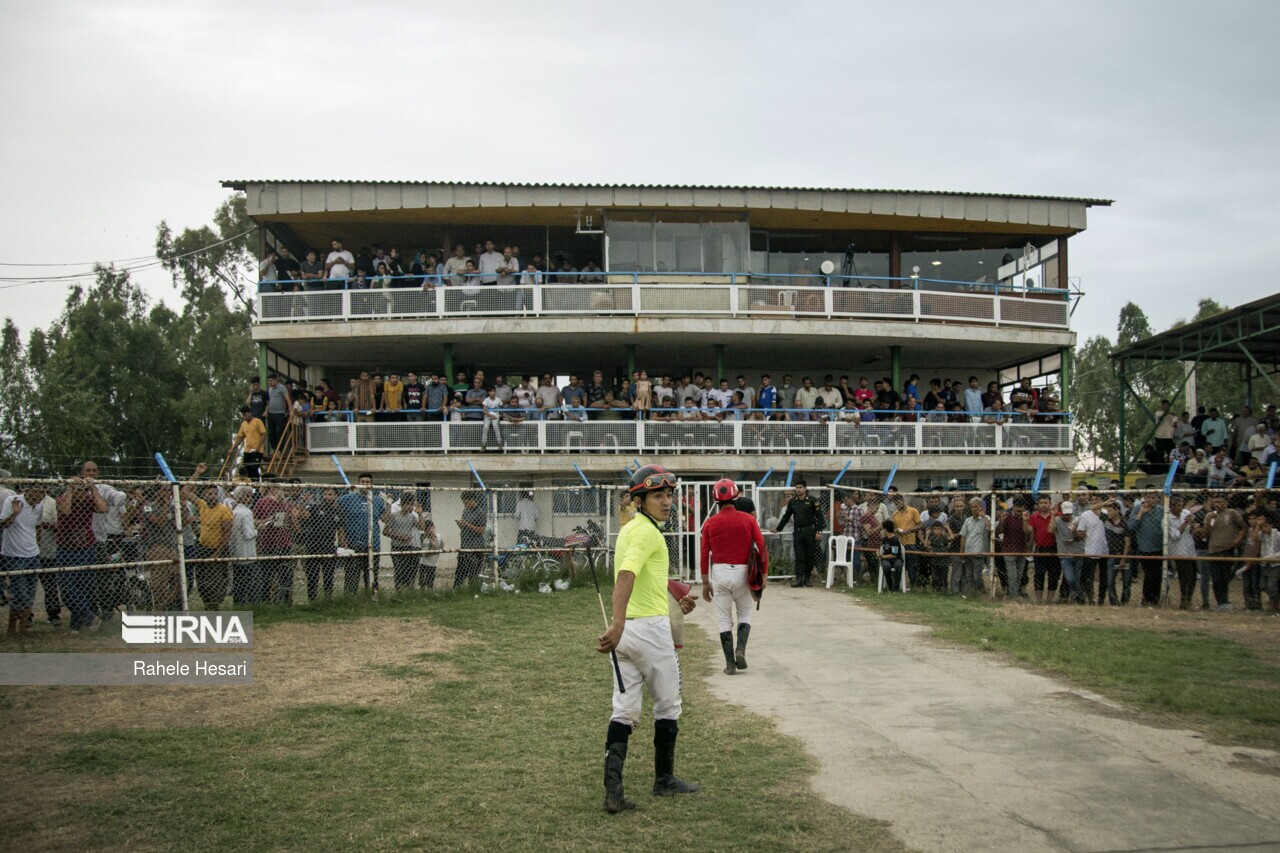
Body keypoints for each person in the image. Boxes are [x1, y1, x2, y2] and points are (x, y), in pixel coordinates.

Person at [596, 465, 699, 813]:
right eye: (658, 495)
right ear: (639, 501)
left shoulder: (631, 529)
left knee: (624, 710)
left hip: (627, 636)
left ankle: (613, 792)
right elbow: (627, 575)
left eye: (669, 494)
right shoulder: (648, 534)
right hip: (649, 631)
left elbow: (645, 575)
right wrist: (618, 622)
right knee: (668, 705)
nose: (667, 502)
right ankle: (664, 780)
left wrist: (675, 596)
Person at [700, 479, 767, 675]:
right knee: (744, 614)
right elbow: (762, 547)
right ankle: (740, 650)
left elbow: (704, 555)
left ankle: (730, 664)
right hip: (743, 573)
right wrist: (764, 574)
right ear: (736, 497)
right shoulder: (748, 520)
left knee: (724, 619)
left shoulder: (710, 523)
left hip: (720, 573)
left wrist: (705, 583)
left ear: (716, 500)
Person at [1, 483, 48, 635]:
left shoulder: (39, 506)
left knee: (30, 592)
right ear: (27, 490)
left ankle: (22, 628)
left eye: (43, 492)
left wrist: (37, 546)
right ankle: (12, 627)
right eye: (37, 491)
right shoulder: (13, 501)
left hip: (33, 554)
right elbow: (3, 525)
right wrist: (15, 513)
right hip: (15, 555)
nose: (40, 495)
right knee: (20, 593)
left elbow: (37, 527)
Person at [776, 480, 822, 587]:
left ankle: (807, 578)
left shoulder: (812, 501)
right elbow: (786, 516)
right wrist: (778, 528)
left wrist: (819, 531)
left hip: (810, 532)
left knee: (809, 555)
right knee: (799, 556)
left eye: (800, 487)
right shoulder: (793, 502)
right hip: (798, 532)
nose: (798, 489)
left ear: (805, 488)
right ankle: (799, 579)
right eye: (796, 488)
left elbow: (820, 517)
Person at [230, 406, 267, 479]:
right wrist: (232, 448)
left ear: (250, 413)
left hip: (257, 451)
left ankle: (255, 484)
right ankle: (249, 484)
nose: (244, 417)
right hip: (247, 451)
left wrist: (258, 447)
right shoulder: (243, 424)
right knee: (247, 470)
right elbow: (240, 437)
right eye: (243, 415)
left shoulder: (258, 421)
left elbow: (263, 434)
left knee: (254, 469)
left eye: (245, 415)